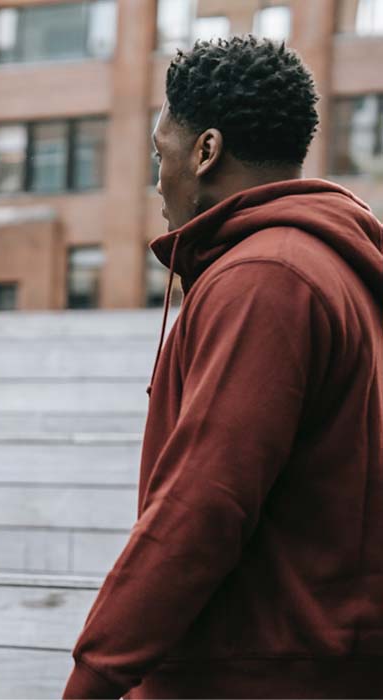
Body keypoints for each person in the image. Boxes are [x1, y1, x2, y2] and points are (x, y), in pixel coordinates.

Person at [64, 36, 383, 699]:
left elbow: (205, 502)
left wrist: (92, 678)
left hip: (253, 675)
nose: (158, 179)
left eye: (161, 153)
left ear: (205, 151)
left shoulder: (266, 279)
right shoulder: (325, 269)